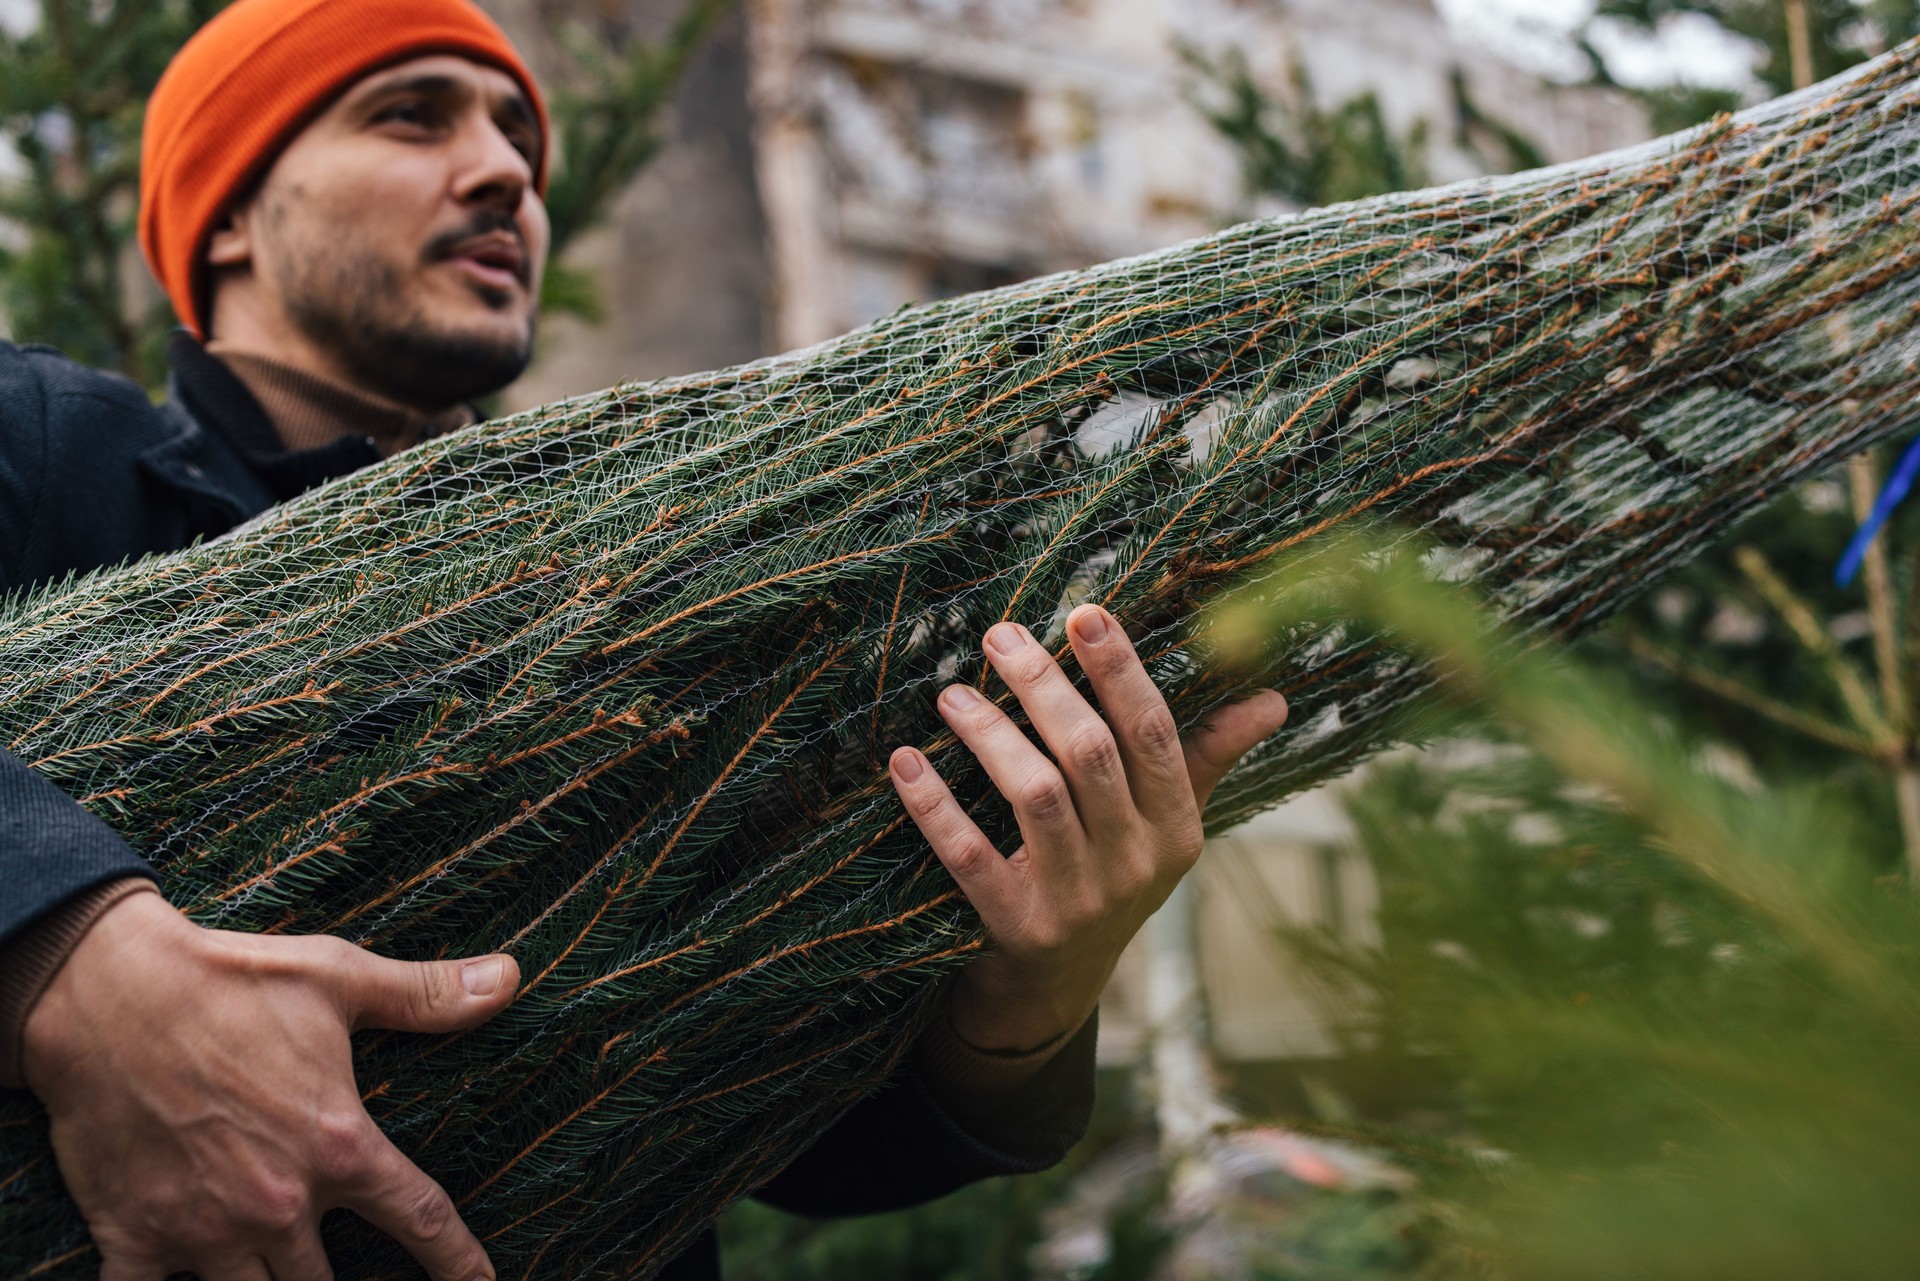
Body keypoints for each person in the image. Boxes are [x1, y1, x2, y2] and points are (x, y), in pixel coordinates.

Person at [0, 1, 1290, 1278]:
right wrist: (70, 945)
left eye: (519, 134)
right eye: (410, 116)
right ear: (226, 207)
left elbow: (803, 1144)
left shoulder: (628, 597)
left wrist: (1023, 1001)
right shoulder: (55, 453)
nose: (506, 168)